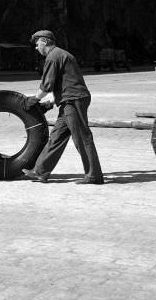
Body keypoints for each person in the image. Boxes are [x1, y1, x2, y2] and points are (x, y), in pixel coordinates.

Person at [21, 30, 104, 185]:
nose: (36, 47)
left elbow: (47, 85)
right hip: (69, 100)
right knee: (57, 136)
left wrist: (34, 99)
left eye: (37, 43)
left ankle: (94, 175)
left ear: (45, 41)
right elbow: (64, 83)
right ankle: (40, 171)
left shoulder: (53, 57)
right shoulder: (60, 55)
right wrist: (50, 103)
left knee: (82, 137)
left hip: (74, 100)